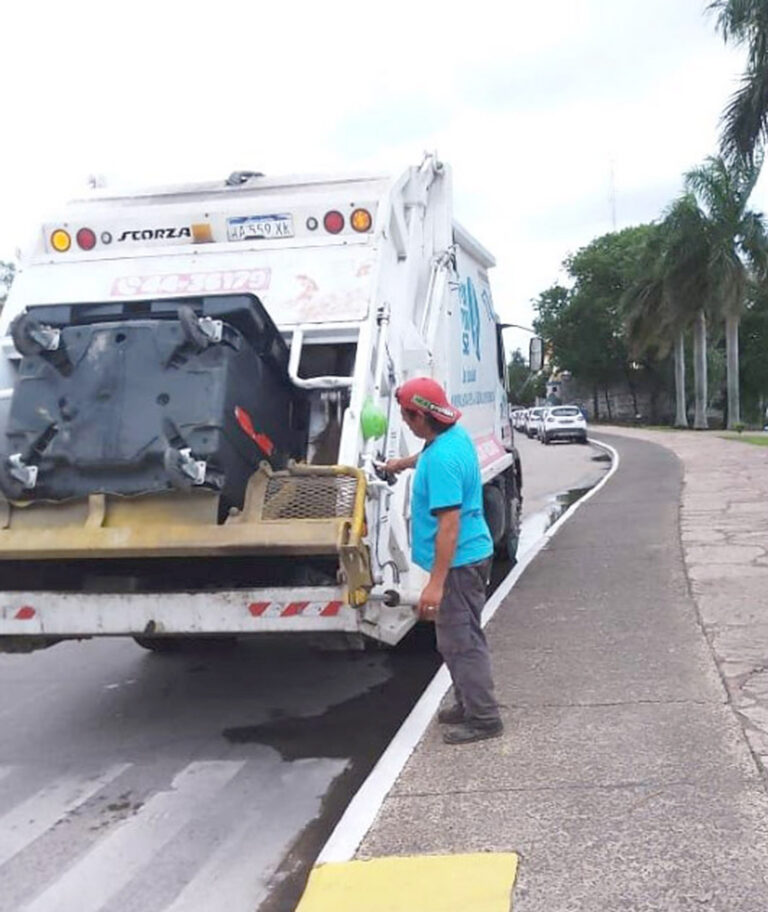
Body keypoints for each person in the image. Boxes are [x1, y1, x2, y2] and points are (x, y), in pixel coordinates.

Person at [385, 377, 503, 745]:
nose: (404, 422)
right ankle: (468, 701)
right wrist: (400, 464)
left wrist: (435, 584)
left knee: (461, 642)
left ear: (420, 416)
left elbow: (448, 526)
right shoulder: (452, 439)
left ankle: (484, 718)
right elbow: (428, 454)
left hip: (458, 564)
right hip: (470, 555)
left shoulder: (442, 462)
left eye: (406, 416)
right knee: (456, 636)